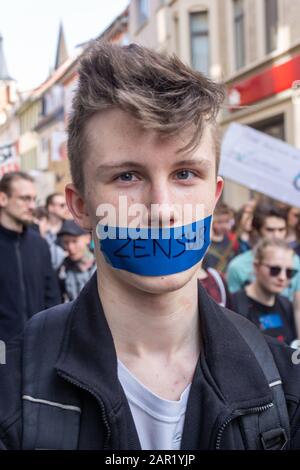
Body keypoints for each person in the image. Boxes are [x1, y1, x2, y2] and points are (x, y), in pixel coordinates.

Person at [1, 42, 300, 451]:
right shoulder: (14, 386)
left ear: (214, 195)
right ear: (81, 205)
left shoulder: (283, 386)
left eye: (185, 174)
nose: (161, 210)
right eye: (127, 176)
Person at [0, 172, 61, 342]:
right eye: (25, 199)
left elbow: (52, 298)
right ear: (3, 199)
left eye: (34, 199)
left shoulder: (39, 245)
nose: (32, 205)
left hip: (36, 347)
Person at [227, 202, 300, 337]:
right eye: (270, 230)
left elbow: (298, 307)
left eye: (281, 229)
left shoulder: (295, 261)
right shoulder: (237, 266)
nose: (277, 235)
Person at [232, 239, 297, 345]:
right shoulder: (236, 304)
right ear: (256, 267)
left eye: (289, 272)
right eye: (274, 270)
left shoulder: (286, 305)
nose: (282, 277)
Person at [57, 220, 96, 302]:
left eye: (75, 241)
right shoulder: (62, 270)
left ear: (88, 238)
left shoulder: (103, 265)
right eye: (66, 242)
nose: (70, 247)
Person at [202, 202, 238, 273]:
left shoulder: (231, 241)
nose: (224, 226)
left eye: (227, 221)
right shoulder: (205, 241)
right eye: (220, 222)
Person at [45, 193, 69, 269]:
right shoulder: (39, 229)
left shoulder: (70, 229)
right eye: (62, 205)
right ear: (50, 207)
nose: (66, 208)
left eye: (67, 205)